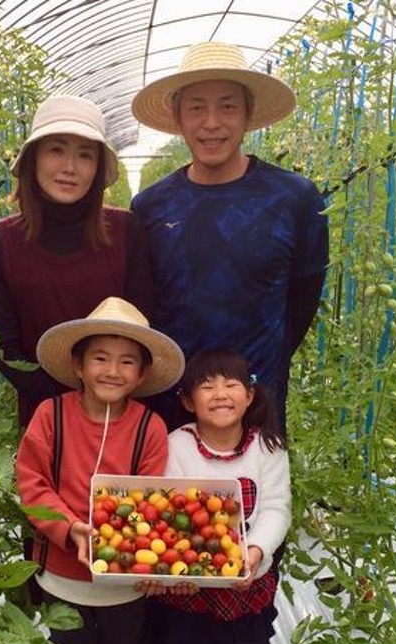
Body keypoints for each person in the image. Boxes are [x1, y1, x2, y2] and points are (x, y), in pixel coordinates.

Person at [16, 296, 184, 644]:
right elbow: (32, 486)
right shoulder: (51, 417)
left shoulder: (150, 429)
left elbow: (152, 501)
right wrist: (70, 529)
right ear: (78, 365)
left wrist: (134, 547)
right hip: (62, 580)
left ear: (141, 374)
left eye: (127, 360)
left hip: (123, 589)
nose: (113, 370)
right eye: (101, 358)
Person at [130, 41, 329, 433]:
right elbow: (147, 302)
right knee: (171, 495)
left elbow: (302, 299)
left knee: (253, 494)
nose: (212, 123)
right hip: (170, 401)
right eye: (197, 107)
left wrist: (261, 363)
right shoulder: (151, 206)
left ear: (248, 114)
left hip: (256, 400)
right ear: (178, 116)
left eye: (227, 106)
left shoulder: (294, 198)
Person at [146, 348, 291, 644]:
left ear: (249, 397)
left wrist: (254, 551)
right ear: (188, 401)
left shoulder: (268, 447)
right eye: (206, 385)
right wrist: (177, 567)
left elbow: (275, 509)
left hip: (245, 586)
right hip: (188, 589)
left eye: (231, 384)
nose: (220, 393)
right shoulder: (178, 445)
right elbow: (167, 511)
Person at [0, 94, 155, 429]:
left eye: (85, 155)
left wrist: (103, 400)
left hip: (120, 418)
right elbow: (3, 347)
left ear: (98, 168)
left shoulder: (126, 232)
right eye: (56, 150)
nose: (70, 167)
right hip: (45, 421)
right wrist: (66, 409)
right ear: (34, 159)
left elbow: (142, 328)